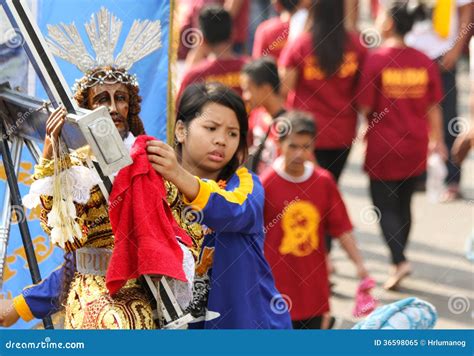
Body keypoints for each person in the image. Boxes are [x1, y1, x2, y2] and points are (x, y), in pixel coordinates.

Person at [0, 8, 197, 329]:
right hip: (92, 290)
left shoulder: (152, 158)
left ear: (130, 105)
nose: (113, 107)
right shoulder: (76, 167)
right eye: (102, 98)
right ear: (87, 107)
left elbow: (175, 226)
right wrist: (51, 156)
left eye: (121, 98)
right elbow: (64, 239)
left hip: (147, 288)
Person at [146, 82, 292, 329]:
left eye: (233, 133)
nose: (222, 140)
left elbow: (233, 210)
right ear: (181, 130)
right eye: (211, 128)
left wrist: (179, 176)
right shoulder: (154, 184)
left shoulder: (246, 184)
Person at [356, 1, 448, 290]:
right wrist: (439, 141)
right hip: (416, 144)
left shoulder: (376, 60)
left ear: (389, 23)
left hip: (383, 145)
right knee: (405, 203)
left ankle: (399, 260)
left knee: (384, 205)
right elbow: (434, 106)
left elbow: (366, 104)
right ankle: (400, 258)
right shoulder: (424, 60)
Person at [261, 111, 368, 329]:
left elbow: (341, 228)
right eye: (293, 146)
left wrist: (359, 265)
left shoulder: (323, 182)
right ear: (279, 143)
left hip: (313, 288)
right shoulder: (264, 184)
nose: (300, 153)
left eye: (306, 147)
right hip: (274, 288)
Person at [406, 0, 472, 201]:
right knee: (410, 117)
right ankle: (418, 175)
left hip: (443, 56)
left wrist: (456, 49)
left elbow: (466, 11)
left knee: (448, 116)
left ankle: (451, 178)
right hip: (410, 54)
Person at [179, 5, 249, 97]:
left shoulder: (194, 77)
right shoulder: (251, 69)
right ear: (233, 33)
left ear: (203, 39)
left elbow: (180, 107)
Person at [240, 57, 287, 173]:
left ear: (266, 89)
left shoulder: (288, 125)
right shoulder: (256, 115)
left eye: (247, 90)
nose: (245, 96)